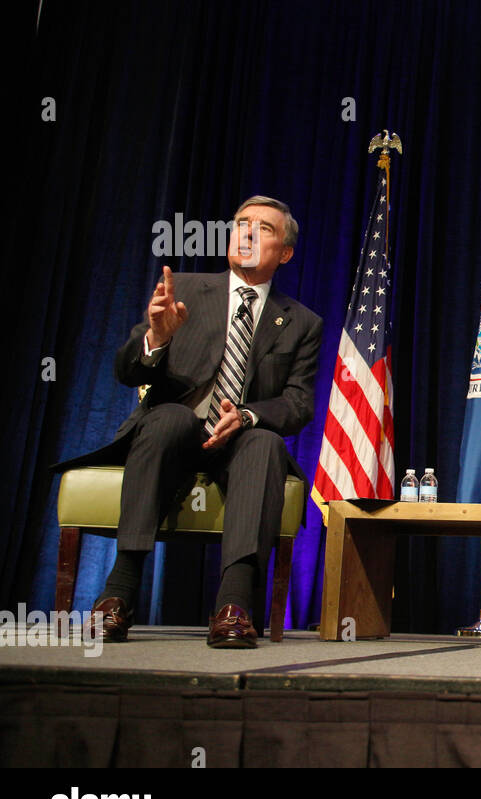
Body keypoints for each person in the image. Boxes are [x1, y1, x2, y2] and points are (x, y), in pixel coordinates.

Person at [55, 196, 323, 649]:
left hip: (238, 439)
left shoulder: (302, 322)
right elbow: (127, 372)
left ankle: (234, 607)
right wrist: (156, 339)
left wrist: (247, 415)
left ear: (285, 252)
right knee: (169, 419)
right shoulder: (183, 289)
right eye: (242, 224)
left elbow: (298, 403)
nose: (249, 232)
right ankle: (118, 595)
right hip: (174, 432)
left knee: (264, 444)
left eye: (265, 228)